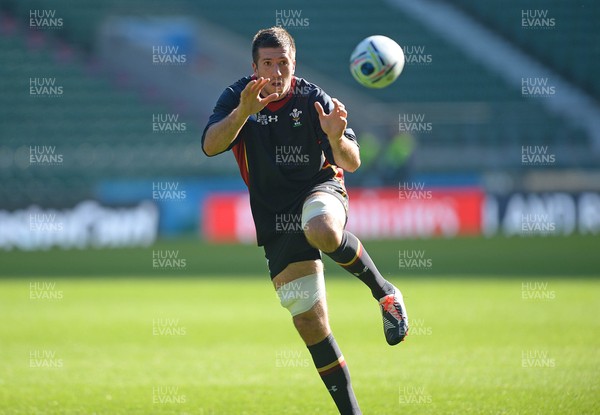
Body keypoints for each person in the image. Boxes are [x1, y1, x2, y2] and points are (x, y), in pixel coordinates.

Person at [202, 26, 408, 415]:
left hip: (320, 189)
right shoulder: (237, 96)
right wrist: (244, 112)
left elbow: (351, 161)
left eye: (284, 64)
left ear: (294, 65)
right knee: (310, 325)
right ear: (254, 67)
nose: (277, 73)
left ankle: (385, 294)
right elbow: (211, 145)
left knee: (322, 229)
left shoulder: (313, 98)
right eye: (268, 64)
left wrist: (336, 138)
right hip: (273, 215)